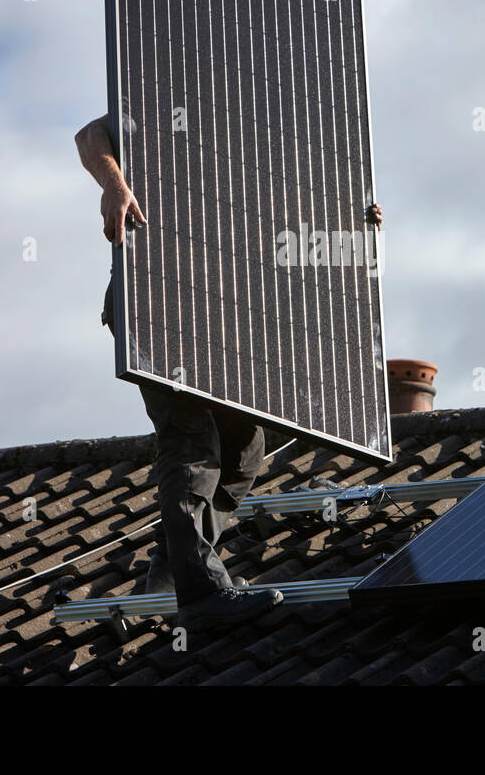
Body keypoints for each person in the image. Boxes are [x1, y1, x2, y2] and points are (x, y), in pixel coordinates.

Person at [74, 112, 382, 630]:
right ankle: (201, 594)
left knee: (245, 450)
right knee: (193, 441)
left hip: (227, 314)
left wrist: (350, 216)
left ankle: (173, 571)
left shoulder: (273, 125)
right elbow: (89, 135)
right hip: (160, 301)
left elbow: (290, 216)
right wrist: (114, 186)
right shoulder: (169, 87)